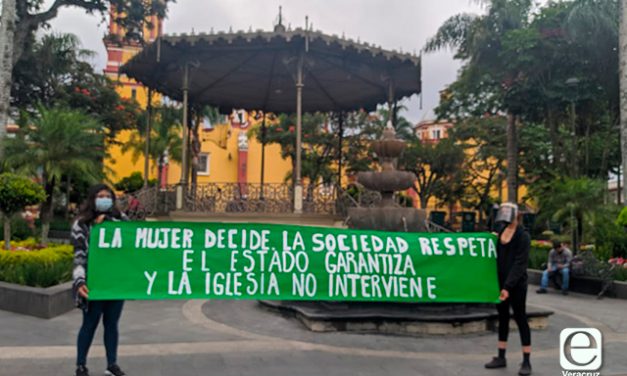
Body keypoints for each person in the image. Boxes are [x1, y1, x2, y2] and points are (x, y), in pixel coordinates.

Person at [71, 184, 128, 376]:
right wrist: (79, 281)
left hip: (115, 283)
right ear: (92, 199)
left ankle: (112, 364)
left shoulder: (121, 221)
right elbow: (79, 255)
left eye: (108, 196)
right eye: (100, 196)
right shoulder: (81, 224)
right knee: (90, 323)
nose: (104, 199)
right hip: (93, 283)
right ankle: (81, 365)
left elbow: (133, 245)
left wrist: (110, 223)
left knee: (112, 324)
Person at [485, 202, 532, 376]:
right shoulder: (500, 232)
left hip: (516, 285)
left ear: (516, 214)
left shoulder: (523, 236)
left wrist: (508, 287)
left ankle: (526, 360)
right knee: (502, 318)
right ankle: (501, 356)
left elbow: (520, 264)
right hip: (500, 283)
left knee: (521, 319)